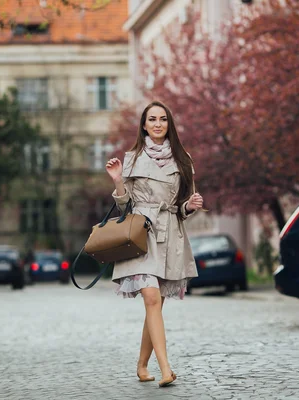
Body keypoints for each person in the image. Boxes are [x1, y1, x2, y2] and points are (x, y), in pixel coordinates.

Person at [105, 100, 203, 388]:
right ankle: (166, 369)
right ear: (144, 125)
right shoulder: (132, 158)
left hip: (170, 233)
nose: (158, 124)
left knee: (156, 303)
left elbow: (182, 206)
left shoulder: (183, 159)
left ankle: (142, 364)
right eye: (152, 119)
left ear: (169, 124)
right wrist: (118, 181)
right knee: (150, 298)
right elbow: (125, 205)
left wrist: (191, 205)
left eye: (163, 119)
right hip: (142, 233)